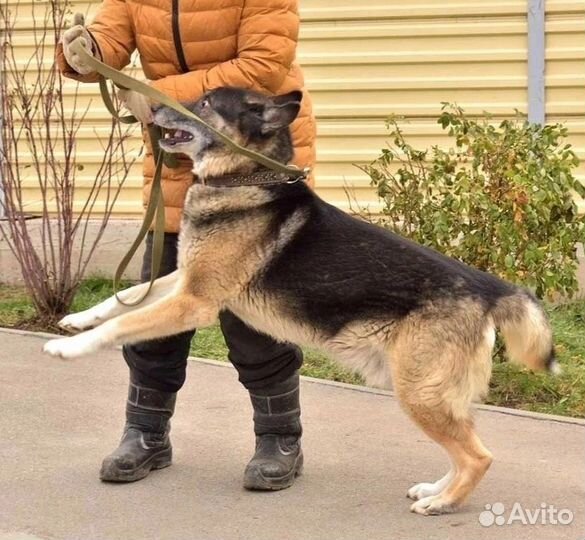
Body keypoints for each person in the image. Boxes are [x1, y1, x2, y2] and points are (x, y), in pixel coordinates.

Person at [57, 0, 316, 490]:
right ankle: (146, 433)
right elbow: (113, 37)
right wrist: (86, 51)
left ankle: (280, 437)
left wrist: (159, 94)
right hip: (180, 154)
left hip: (251, 154)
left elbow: (262, 67)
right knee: (154, 302)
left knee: (252, 315)